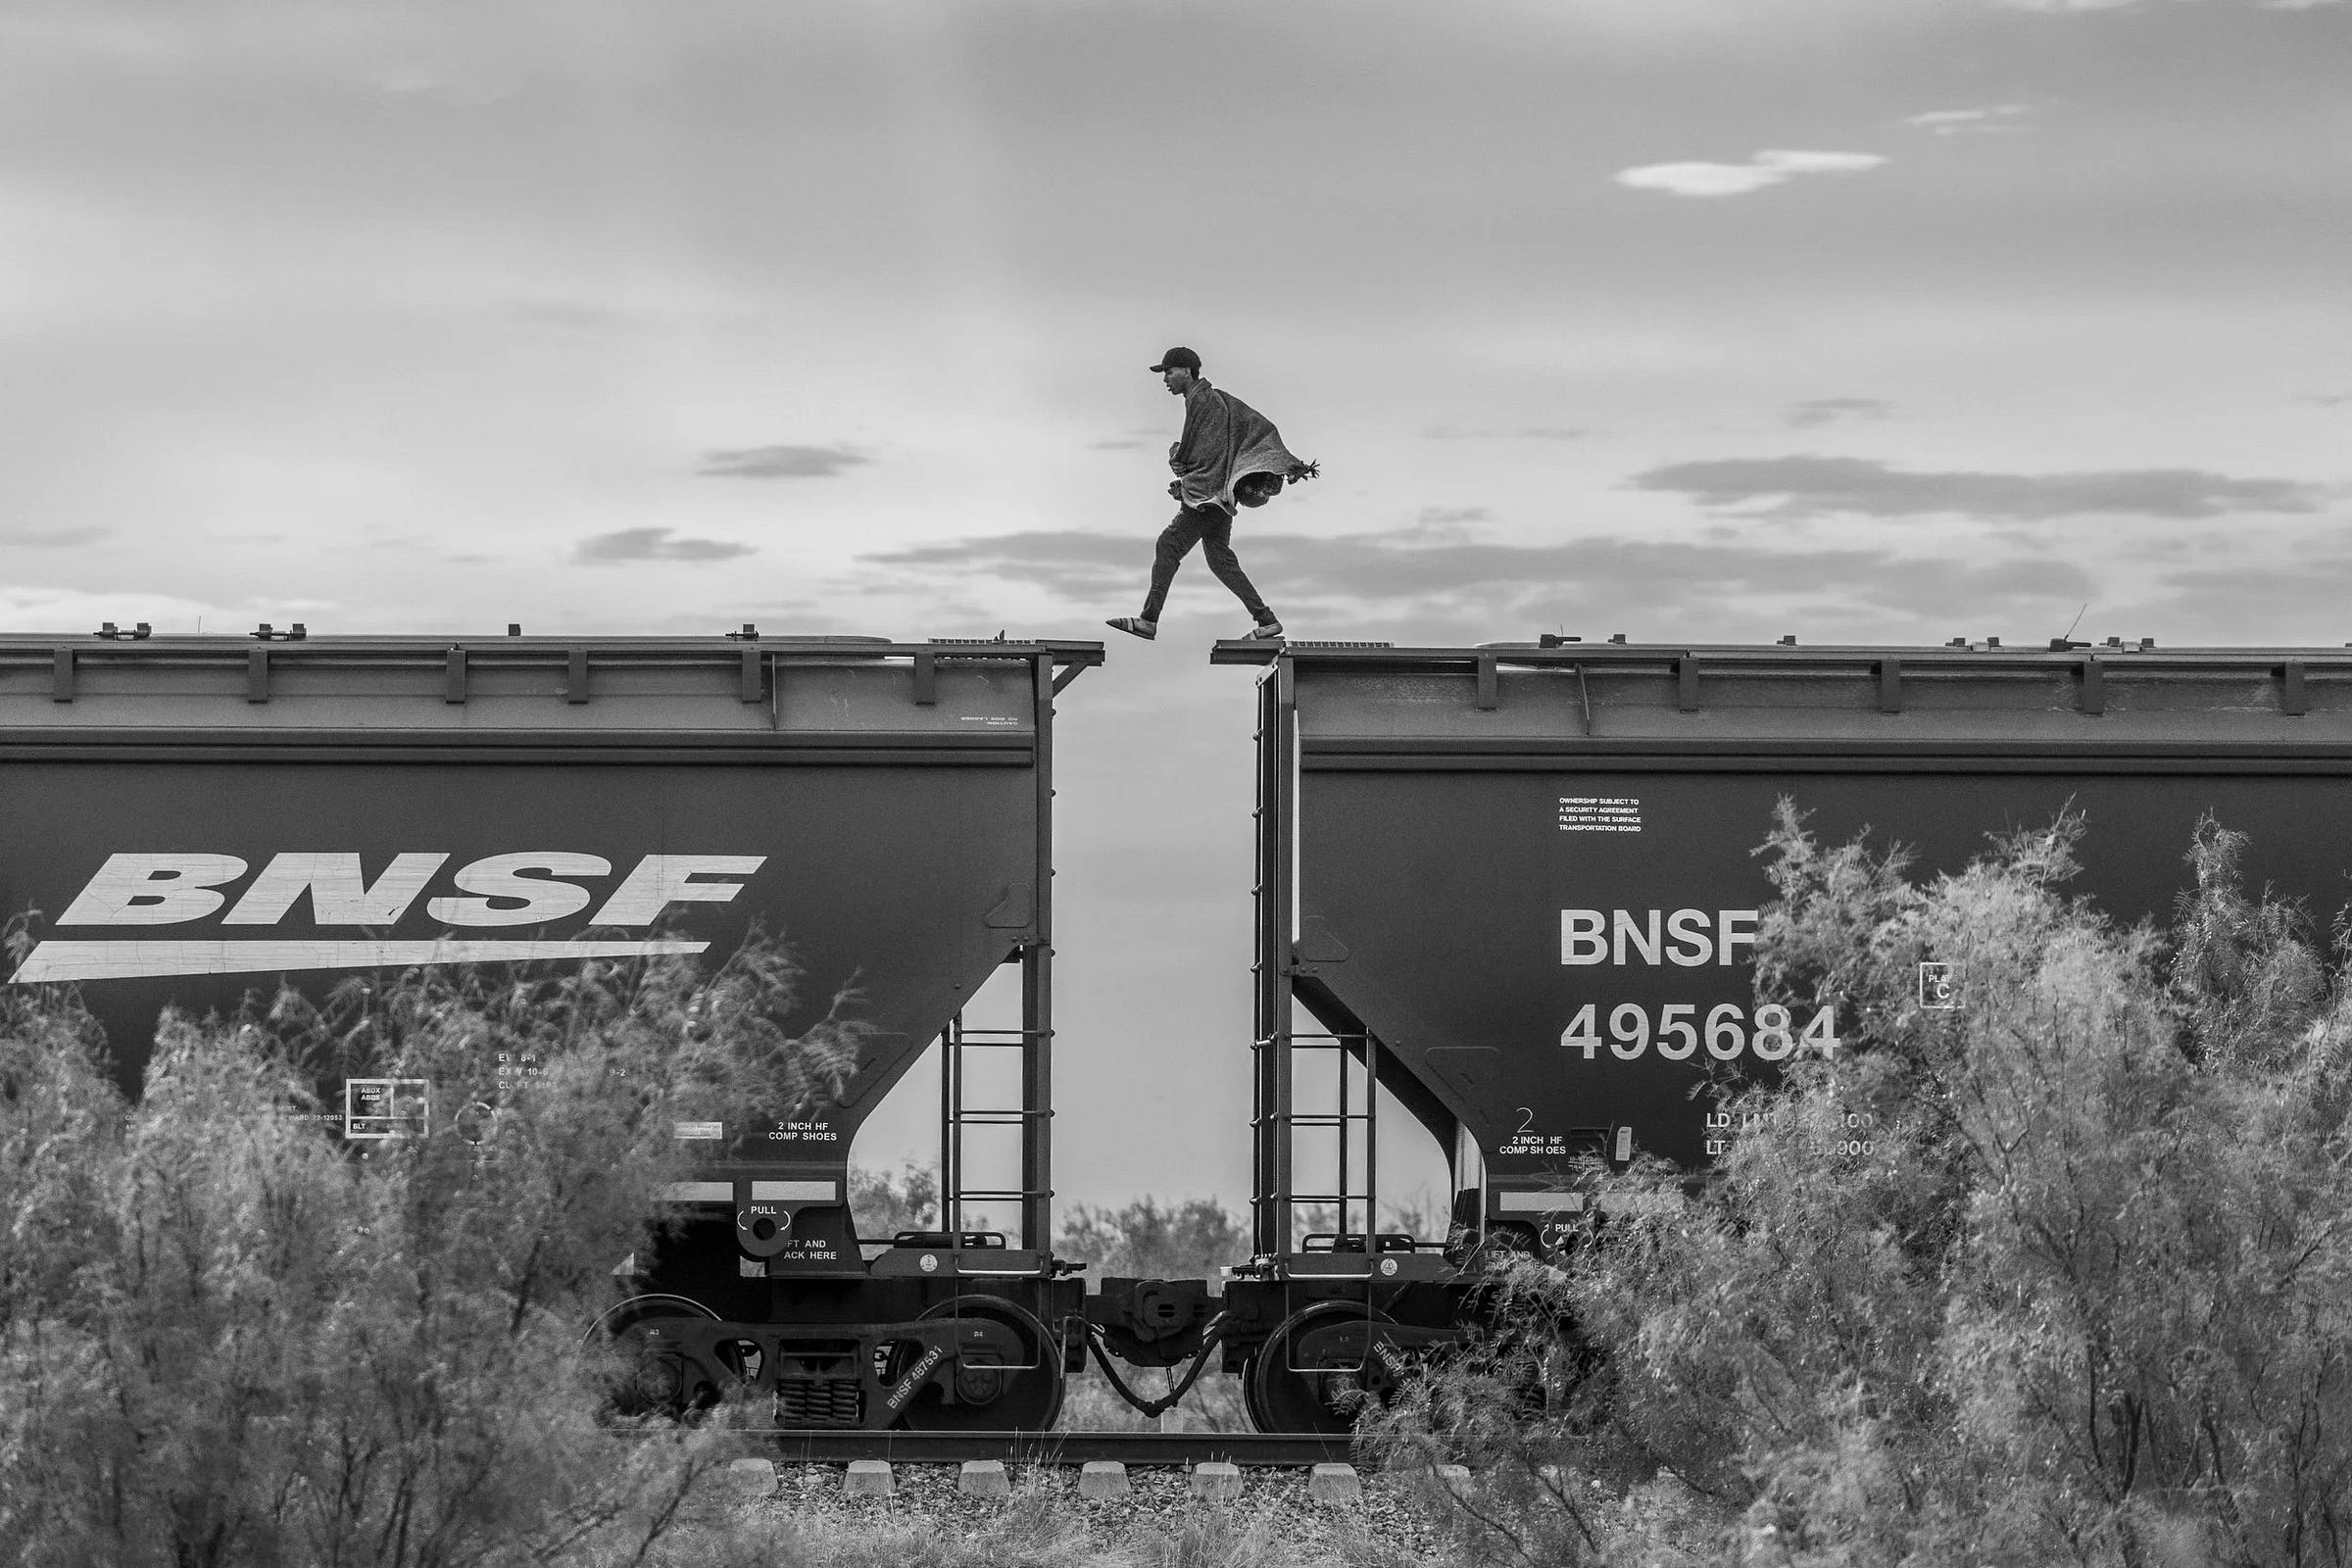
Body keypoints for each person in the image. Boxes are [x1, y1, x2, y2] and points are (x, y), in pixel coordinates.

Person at [1106, 347, 1316, 642]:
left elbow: (1210, 455)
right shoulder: (1201, 399)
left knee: (1168, 545)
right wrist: (1184, 466)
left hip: (1208, 498)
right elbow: (1206, 454)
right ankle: (1267, 621)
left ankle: (1148, 620)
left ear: (1187, 371)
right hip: (1217, 497)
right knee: (1220, 560)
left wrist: (1183, 471)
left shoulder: (1203, 401)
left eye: (1169, 371)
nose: (1165, 378)